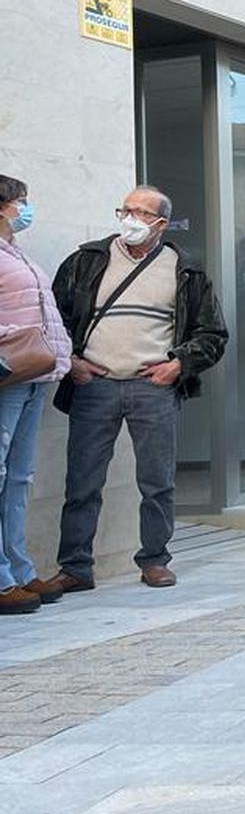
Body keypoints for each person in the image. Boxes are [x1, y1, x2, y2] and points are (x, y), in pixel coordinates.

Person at [45, 186, 228, 593]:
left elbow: (213, 333)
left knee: (157, 481)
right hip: (95, 385)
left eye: (141, 212)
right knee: (82, 482)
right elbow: (52, 317)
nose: (130, 218)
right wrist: (71, 361)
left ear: (161, 223)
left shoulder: (186, 270)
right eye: (125, 209)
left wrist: (178, 364)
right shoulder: (85, 261)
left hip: (153, 388)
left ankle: (155, 560)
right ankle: (75, 567)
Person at [0, 176, 72, 614]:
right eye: (20, 202)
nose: (25, 209)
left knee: (20, 477)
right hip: (8, 371)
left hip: (33, 374)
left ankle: (19, 568)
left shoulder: (15, 252)